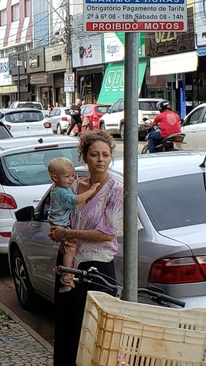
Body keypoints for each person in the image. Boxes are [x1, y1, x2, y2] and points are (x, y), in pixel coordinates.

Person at [49, 130, 124, 366]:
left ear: (111, 157)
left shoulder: (116, 189)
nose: (100, 159)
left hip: (97, 267)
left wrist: (68, 234)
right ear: (85, 157)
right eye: (94, 154)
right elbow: (60, 217)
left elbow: (107, 233)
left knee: (95, 332)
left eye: (105, 154)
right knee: (67, 327)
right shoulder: (74, 185)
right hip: (68, 263)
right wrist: (56, 233)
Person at [47, 157, 99, 293]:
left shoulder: (59, 187)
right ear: (54, 178)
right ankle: (67, 276)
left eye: (72, 175)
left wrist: (76, 180)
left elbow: (70, 187)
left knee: (66, 248)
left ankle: (65, 270)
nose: (71, 179)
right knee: (71, 249)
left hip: (58, 222)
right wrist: (91, 191)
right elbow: (75, 200)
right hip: (61, 224)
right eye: (67, 176)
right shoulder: (61, 192)